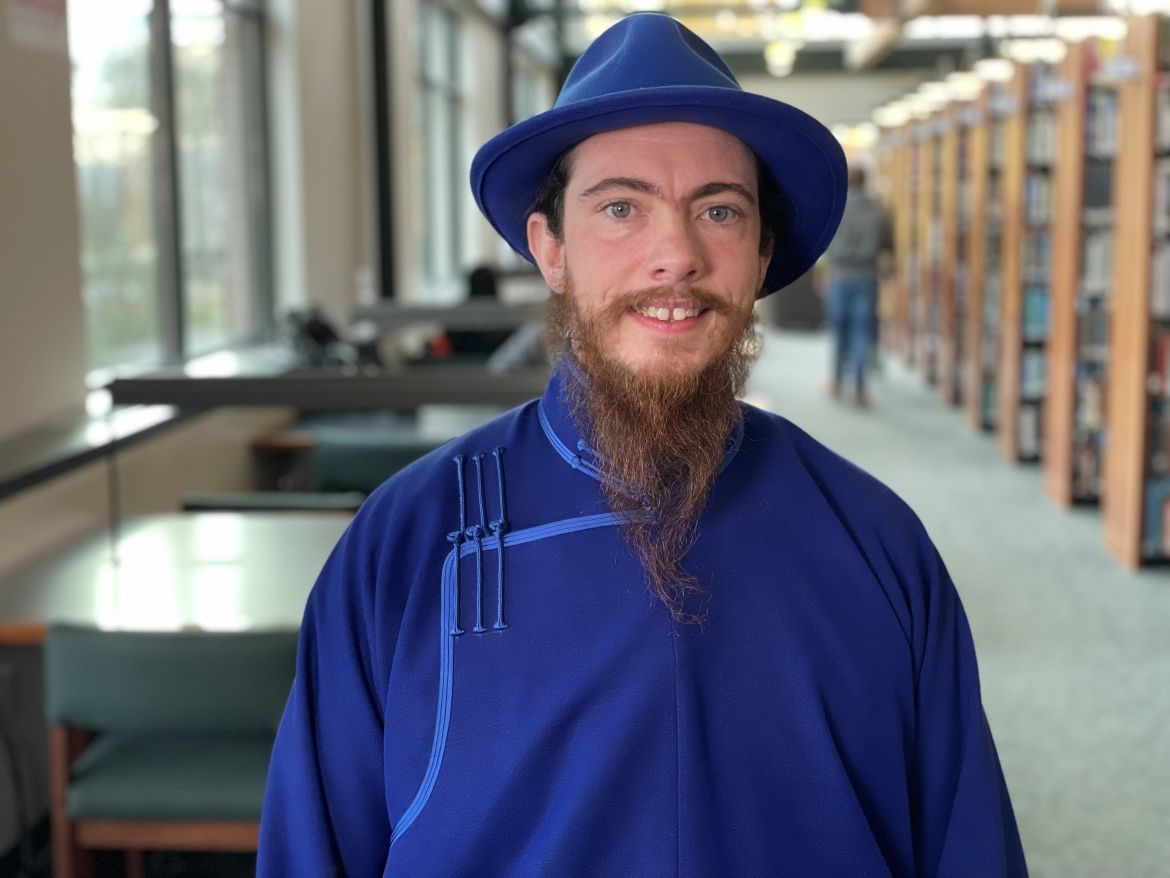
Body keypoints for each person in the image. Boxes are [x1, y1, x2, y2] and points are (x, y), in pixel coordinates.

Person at [259, 13, 1027, 876]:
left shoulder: (876, 543)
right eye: (621, 208)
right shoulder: (404, 547)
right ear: (551, 249)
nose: (677, 256)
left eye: (720, 211)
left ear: (761, 254)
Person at [823, 164, 893, 407]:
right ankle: (861, 389)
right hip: (867, 276)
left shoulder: (836, 209)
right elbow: (888, 245)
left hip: (840, 275)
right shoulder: (877, 211)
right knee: (862, 332)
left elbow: (825, 244)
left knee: (839, 329)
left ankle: (836, 381)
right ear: (866, 181)